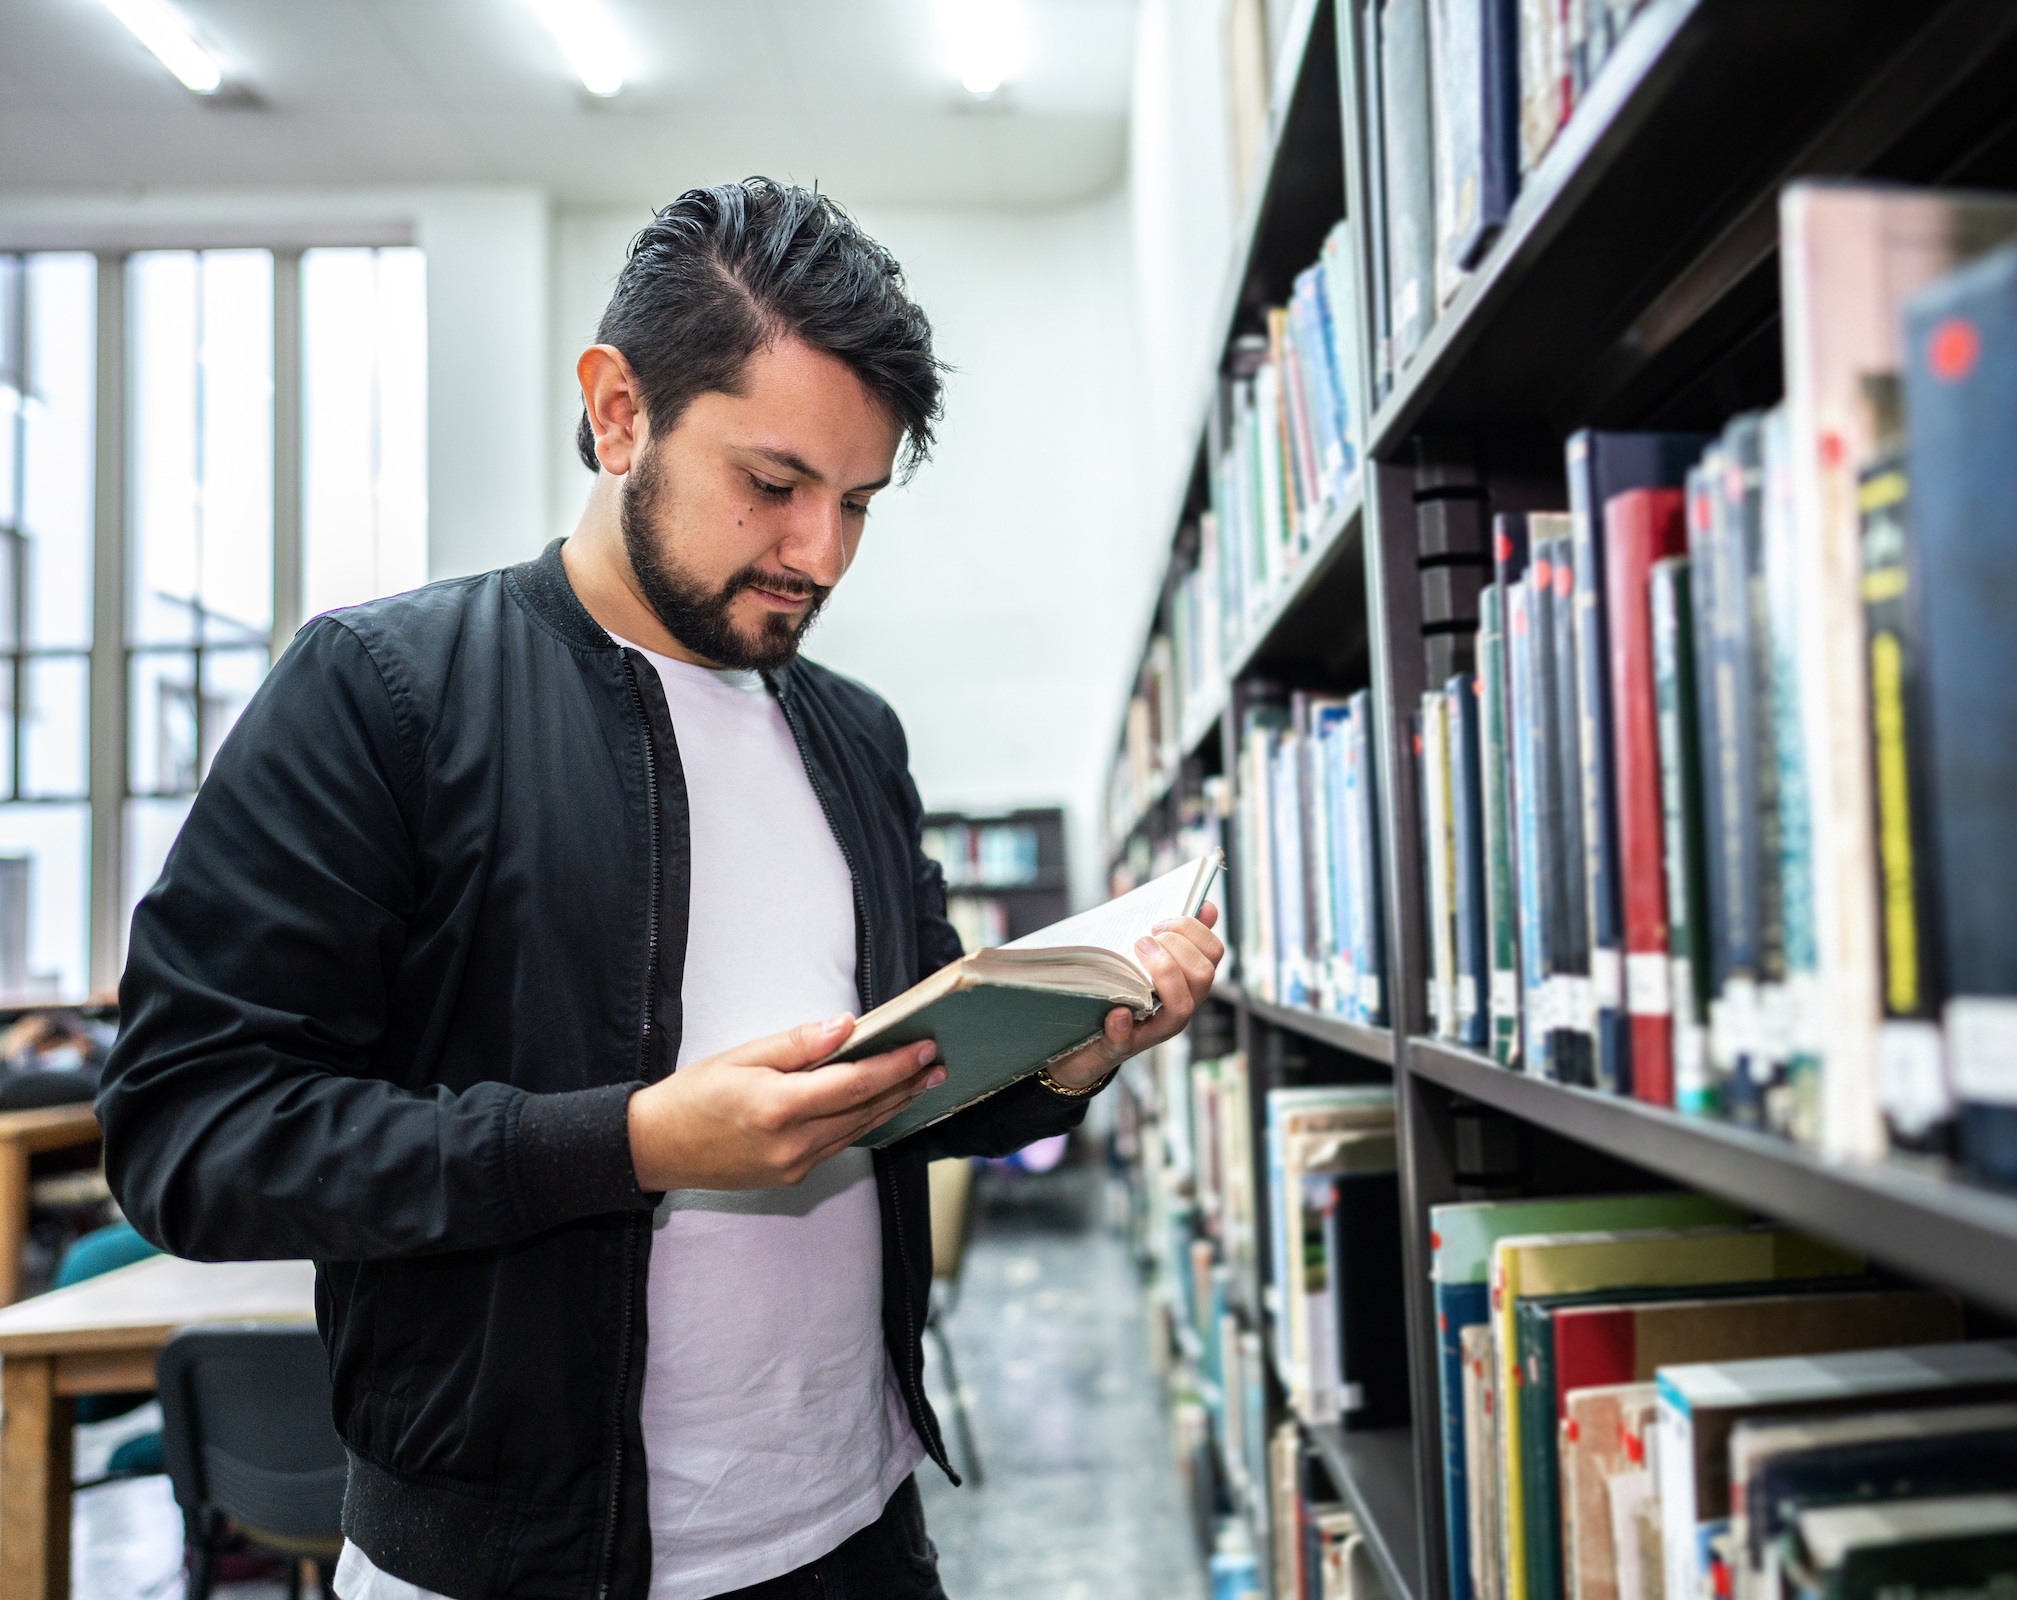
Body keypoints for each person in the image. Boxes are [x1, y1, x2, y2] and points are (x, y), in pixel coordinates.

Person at [96, 177, 1222, 1600]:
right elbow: (188, 1134)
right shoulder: (382, 695)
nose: (822, 554)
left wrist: (1075, 1049)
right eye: (775, 485)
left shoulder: (850, 735)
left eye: (858, 503)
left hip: (858, 1533)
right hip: (515, 1570)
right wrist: (630, 1144)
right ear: (619, 410)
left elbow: (912, 1089)